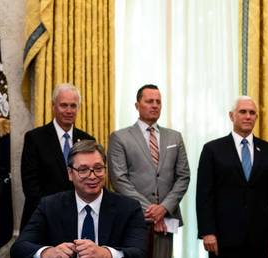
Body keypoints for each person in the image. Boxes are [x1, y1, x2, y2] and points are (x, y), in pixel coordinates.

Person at [10, 140, 148, 258]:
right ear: (70, 173)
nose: (92, 176)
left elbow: (139, 252)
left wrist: (106, 253)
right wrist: (48, 252)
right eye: (83, 170)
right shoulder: (50, 206)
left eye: (98, 168)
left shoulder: (129, 208)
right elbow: (19, 248)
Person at [196, 96, 268, 258]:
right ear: (232, 116)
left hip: (260, 238)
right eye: (243, 112)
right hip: (223, 238)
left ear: (256, 117)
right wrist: (207, 231)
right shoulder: (212, 149)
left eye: (252, 113)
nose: (248, 116)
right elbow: (204, 195)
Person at [108, 84, 190, 258]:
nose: (155, 105)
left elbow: (183, 177)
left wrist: (164, 208)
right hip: (133, 217)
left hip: (166, 221)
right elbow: (118, 180)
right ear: (137, 105)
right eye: (149, 101)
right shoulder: (120, 137)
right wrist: (151, 211)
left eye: (158, 102)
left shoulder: (175, 137)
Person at [20, 83, 95, 230]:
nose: (69, 111)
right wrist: (53, 213)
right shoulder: (35, 138)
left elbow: (91, 181)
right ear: (53, 106)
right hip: (42, 218)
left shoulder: (87, 140)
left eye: (73, 106)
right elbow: (31, 186)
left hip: (78, 218)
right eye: (63, 105)